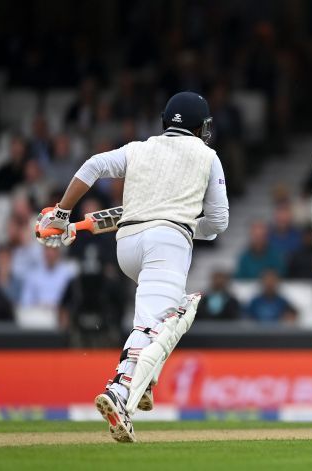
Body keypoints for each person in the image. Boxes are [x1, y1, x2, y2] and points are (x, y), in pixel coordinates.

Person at [36, 91, 229, 442]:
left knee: (169, 316)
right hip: (167, 243)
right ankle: (120, 393)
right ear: (201, 126)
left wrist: (63, 213)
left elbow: (92, 165)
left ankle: (146, 382)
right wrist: (189, 224)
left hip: (126, 245)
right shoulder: (208, 156)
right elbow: (218, 222)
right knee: (159, 326)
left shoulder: (138, 148)